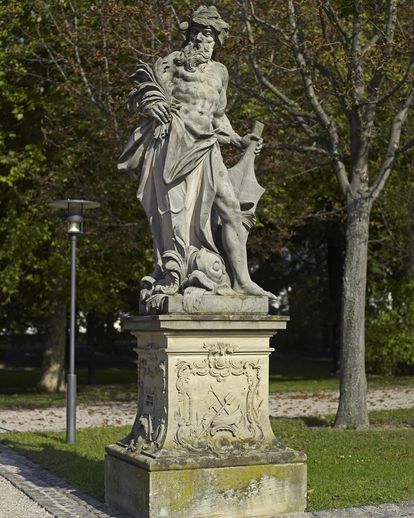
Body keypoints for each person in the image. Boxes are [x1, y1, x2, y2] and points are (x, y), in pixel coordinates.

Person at [118, 6, 275, 310]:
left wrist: (239, 139)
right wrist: (152, 105)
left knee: (231, 209)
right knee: (177, 214)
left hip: (208, 146)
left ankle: (242, 280)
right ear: (189, 35)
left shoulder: (220, 72)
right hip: (177, 144)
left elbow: (218, 116)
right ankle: (177, 269)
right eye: (201, 34)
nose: (206, 41)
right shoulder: (173, 63)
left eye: (211, 35)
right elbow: (137, 97)